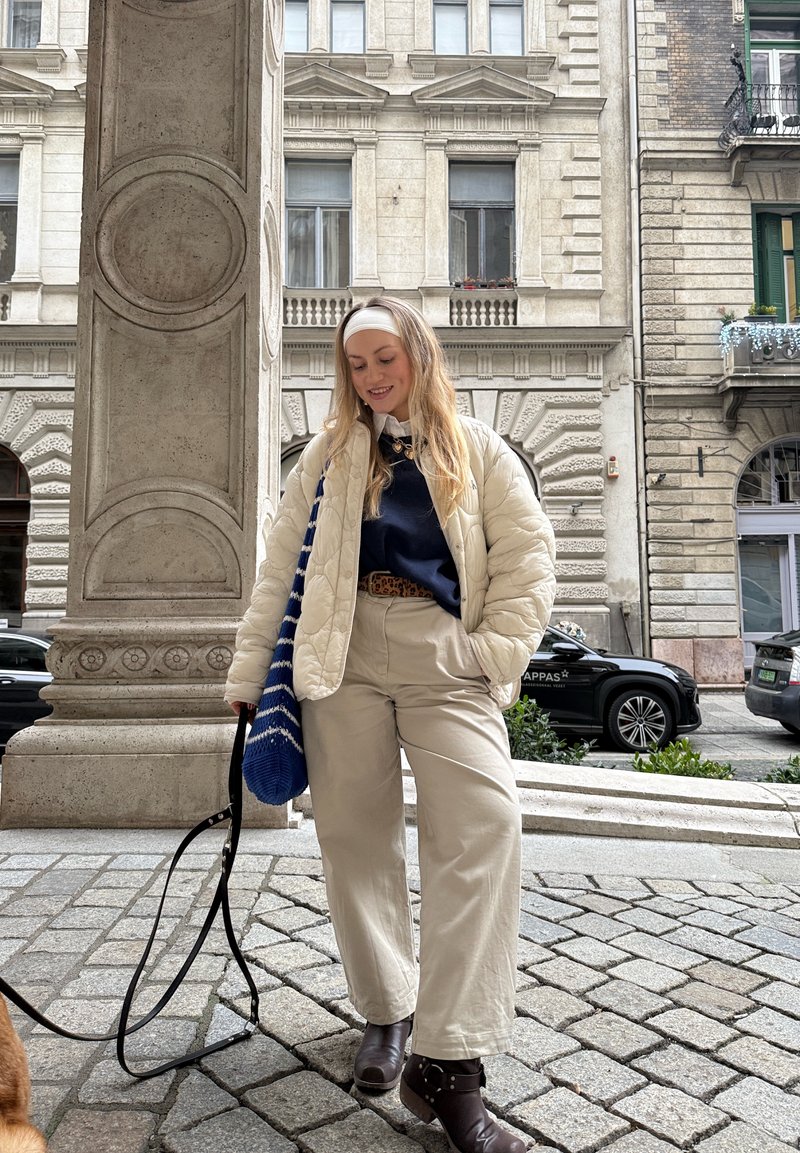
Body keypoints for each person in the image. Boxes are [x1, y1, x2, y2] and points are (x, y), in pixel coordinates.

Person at [225, 297, 556, 1153]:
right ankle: (386, 1011)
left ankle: (448, 1057)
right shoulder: (331, 457)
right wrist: (249, 675)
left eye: (385, 356)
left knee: (485, 826)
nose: (373, 375)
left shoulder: (478, 450)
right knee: (355, 837)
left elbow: (527, 563)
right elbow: (278, 570)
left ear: (418, 353)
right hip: (341, 657)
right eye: (357, 364)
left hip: (445, 655)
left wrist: (489, 654)